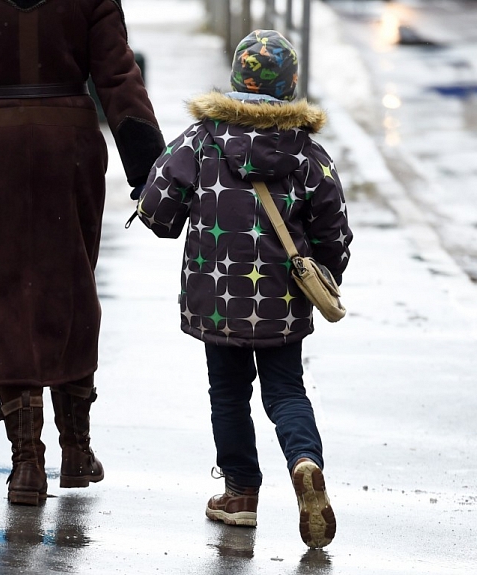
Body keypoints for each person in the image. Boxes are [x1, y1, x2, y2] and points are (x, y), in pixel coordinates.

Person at [0, 0, 164, 505]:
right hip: (69, 150)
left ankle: (26, 466)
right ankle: (77, 450)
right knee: (70, 289)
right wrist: (150, 168)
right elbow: (118, 77)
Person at [135, 30, 352, 549]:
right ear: (291, 85)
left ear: (235, 80)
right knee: (286, 391)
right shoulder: (308, 154)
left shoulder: (201, 140)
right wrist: (328, 272)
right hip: (280, 299)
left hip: (218, 298)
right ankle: (304, 462)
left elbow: (156, 209)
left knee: (228, 394)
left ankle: (240, 496)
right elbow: (334, 231)